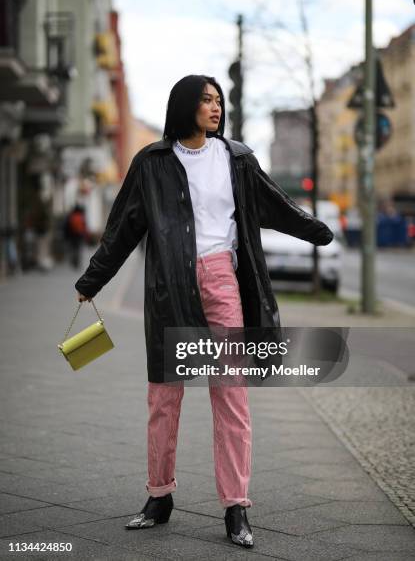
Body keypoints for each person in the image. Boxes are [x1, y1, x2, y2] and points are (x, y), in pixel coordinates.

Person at [75, 74, 334, 548]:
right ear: (184, 106)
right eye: (206, 100)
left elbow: (274, 204)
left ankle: (235, 506)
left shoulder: (235, 158)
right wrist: (93, 281)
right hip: (170, 286)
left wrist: (315, 229)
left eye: (219, 100)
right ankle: (159, 496)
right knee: (164, 395)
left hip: (222, 281)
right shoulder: (151, 162)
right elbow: (123, 227)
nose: (215, 108)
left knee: (230, 393)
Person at [64, 204, 88, 269]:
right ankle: (78, 262)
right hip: (79, 235)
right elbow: (84, 227)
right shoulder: (81, 217)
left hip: (72, 235)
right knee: (79, 249)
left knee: (72, 249)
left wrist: (66, 236)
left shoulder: (71, 216)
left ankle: (73, 261)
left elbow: (67, 227)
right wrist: (85, 235)